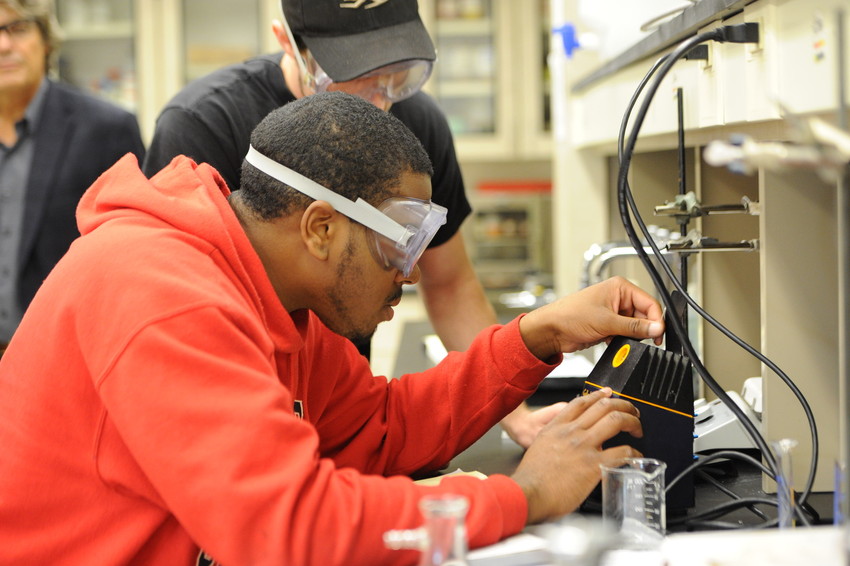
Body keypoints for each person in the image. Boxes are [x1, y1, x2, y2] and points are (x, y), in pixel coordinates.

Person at [0, 92, 664, 565]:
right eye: (397, 248)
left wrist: (535, 337)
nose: (406, 276)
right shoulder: (164, 295)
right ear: (321, 229)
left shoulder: (270, 295)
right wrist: (523, 495)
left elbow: (379, 429)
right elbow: (289, 534)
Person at [141, 0, 558, 449]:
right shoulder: (205, 124)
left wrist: (517, 418)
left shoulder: (415, 125)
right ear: (288, 44)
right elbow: (179, 319)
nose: (380, 100)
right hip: (238, 413)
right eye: (354, 73)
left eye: (397, 73)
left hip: (344, 409)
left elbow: (449, 282)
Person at [0, 0, 145, 349]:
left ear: (46, 39)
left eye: (17, 29)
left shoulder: (106, 129)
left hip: (64, 355)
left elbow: (135, 254)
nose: (4, 45)